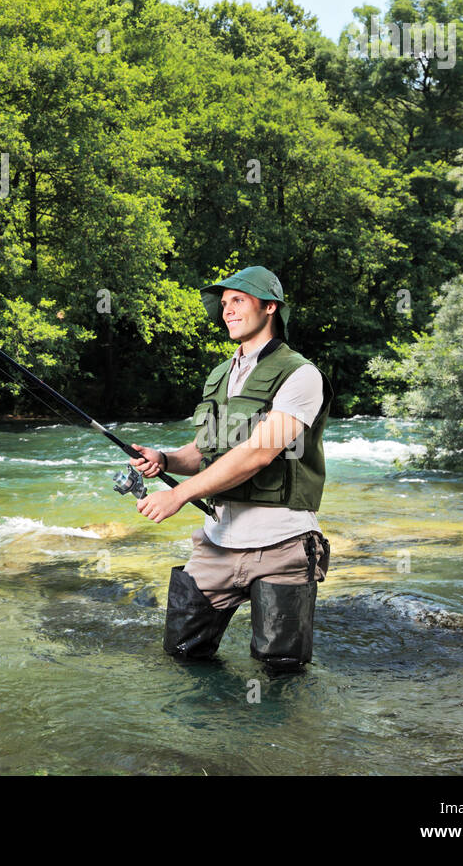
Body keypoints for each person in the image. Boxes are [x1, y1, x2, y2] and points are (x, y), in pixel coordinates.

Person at [128, 266, 332, 676]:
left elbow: (258, 453)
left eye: (238, 300)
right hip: (216, 545)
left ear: (269, 306)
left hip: (282, 547)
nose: (227, 311)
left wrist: (179, 494)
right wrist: (166, 460)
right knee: (182, 659)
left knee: (281, 673)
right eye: (223, 304)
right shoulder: (221, 374)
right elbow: (205, 452)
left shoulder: (301, 374)